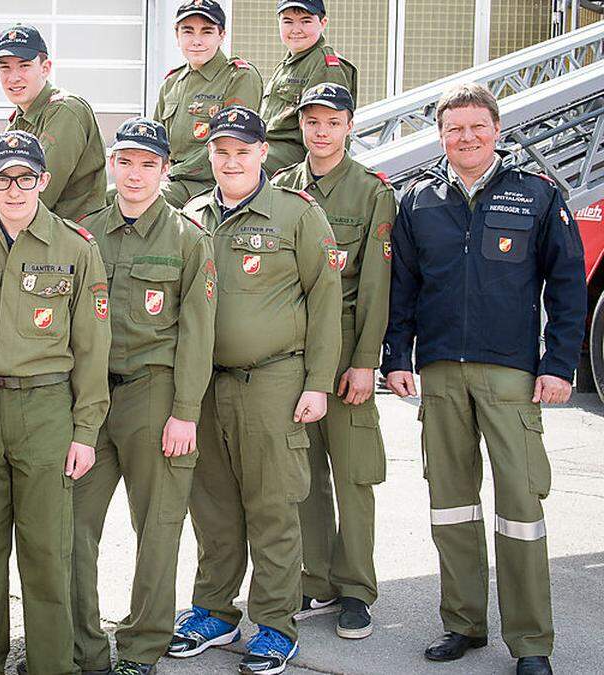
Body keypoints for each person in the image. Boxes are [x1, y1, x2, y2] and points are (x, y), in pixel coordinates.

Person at [383, 83, 586, 675]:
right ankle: (463, 624)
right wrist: (399, 355)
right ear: (440, 135)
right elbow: (405, 289)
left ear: (496, 129)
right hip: (441, 372)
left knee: (521, 508)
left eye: (477, 126)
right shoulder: (418, 201)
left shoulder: (537, 196)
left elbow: (567, 286)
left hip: (511, 376)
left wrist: (558, 365)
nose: (466, 137)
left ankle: (531, 643)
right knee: (451, 505)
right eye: (454, 128)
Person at [174, 106, 342, 675]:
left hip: (273, 380)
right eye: (221, 150)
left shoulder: (295, 215)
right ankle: (214, 611)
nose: (230, 160)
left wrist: (318, 383)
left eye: (242, 150)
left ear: (262, 152)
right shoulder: (191, 216)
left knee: (273, 505)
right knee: (213, 505)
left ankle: (274, 623)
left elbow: (325, 303)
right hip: (204, 385)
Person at [0, 130, 110, 675]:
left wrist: (86, 432)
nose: (14, 189)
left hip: (46, 411)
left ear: (43, 180)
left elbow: (92, 348)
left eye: (25, 177)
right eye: (2, 178)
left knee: (46, 554)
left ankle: (51, 664)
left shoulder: (76, 248)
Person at [71, 118, 217, 675]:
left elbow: (198, 333)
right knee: (74, 526)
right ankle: (82, 649)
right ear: (113, 165)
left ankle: (140, 648)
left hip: (153, 396)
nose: (135, 174)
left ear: (165, 170)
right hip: (90, 401)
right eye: (126, 161)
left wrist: (185, 413)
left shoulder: (186, 238)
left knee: (156, 527)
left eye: (147, 163)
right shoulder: (86, 233)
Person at [271, 83, 395, 640]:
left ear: (349, 126)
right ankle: (314, 576)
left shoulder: (371, 193)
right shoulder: (280, 189)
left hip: (345, 349)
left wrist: (365, 361)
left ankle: (355, 588)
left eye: (331, 122)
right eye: (311, 122)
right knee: (303, 473)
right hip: (293, 353)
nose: (320, 132)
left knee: (351, 473)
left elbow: (375, 285)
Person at [0, 24, 108, 222]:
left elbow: (37, 194)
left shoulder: (65, 111)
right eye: (5, 68)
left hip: (74, 238)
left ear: (45, 68)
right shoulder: (18, 123)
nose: (13, 77)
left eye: (24, 66)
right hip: (41, 234)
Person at [155, 0, 263, 208]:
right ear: (177, 36)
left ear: (221, 35)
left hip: (210, 182)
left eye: (206, 32)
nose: (197, 41)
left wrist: (172, 174)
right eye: (188, 32)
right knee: (113, 196)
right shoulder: (172, 82)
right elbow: (157, 141)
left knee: (137, 200)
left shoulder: (239, 77)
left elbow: (234, 142)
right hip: (172, 180)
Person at [260, 0, 357, 176]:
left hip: (294, 157)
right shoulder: (290, 63)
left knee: (235, 166)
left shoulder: (325, 65)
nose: (296, 29)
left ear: (323, 23)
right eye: (288, 21)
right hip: (269, 149)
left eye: (306, 21)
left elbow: (329, 134)